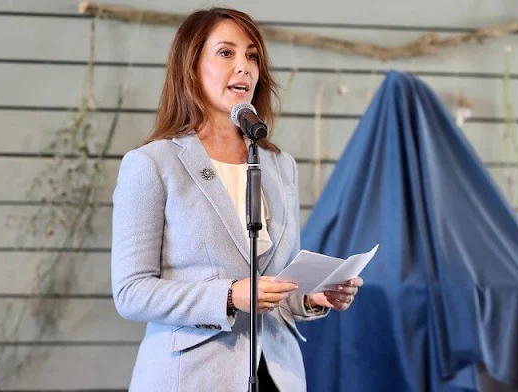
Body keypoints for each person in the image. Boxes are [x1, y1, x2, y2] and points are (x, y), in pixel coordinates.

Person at [110, 7, 364, 392]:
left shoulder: (280, 166)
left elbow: (278, 286)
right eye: (226, 53)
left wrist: (314, 297)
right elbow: (131, 293)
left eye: (252, 55)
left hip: (278, 375)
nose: (244, 67)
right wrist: (228, 296)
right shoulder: (150, 164)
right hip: (191, 378)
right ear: (190, 66)